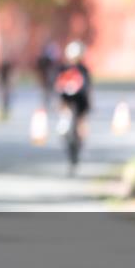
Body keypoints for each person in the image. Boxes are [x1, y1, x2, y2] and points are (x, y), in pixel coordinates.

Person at [54, 40, 92, 174]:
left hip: (80, 103)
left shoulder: (83, 70)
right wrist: (60, 103)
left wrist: (88, 105)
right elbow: (59, 87)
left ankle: (79, 147)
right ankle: (71, 152)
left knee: (80, 129)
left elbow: (87, 89)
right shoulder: (63, 69)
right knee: (64, 130)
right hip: (67, 103)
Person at [35, 41, 61, 109]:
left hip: (51, 76)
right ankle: (47, 103)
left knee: (52, 90)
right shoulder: (44, 59)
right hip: (48, 77)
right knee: (48, 91)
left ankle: (52, 103)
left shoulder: (52, 52)